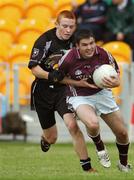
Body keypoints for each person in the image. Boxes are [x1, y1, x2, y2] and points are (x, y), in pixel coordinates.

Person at [28, 10, 96, 172]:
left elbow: (89, 55)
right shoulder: (44, 41)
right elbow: (34, 69)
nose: (68, 30)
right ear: (56, 24)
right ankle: (45, 139)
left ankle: (87, 167)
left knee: (72, 125)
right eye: (64, 26)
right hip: (43, 90)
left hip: (64, 89)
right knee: (52, 138)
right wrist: (51, 75)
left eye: (71, 27)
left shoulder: (76, 41)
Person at [58, 29, 132, 172]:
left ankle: (123, 164)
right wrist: (79, 83)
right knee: (92, 124)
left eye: (92, 43)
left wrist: (116, 82)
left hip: (102, 93)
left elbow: (116, 73)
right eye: (85, 45)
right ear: (77, 46)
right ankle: (100, 147)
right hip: (79, 95)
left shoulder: (103, 53)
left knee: (122, 133)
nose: (90, 47)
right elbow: (58, 78)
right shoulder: (68, 59)